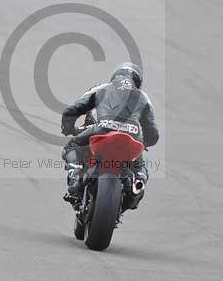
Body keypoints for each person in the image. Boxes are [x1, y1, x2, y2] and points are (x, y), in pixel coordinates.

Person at [60, 62, 159, 208]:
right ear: (138, 82)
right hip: (132, 136)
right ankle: (137, 182)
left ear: (115, 75)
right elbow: (152, 132)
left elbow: (72, 109)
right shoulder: (143, 97)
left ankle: (76, 173)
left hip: (102, 129)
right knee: (139, 168)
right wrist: (146, 142)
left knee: (71, 147)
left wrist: (68, 128)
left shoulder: (102, 88)